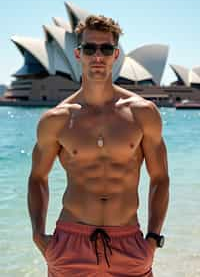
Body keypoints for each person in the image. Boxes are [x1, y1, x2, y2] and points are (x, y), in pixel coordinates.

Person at [28, 15, 170, 277]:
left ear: (116, 55)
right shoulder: (57, 119)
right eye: (89, 48)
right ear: (77, 53)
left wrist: (153, 238)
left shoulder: (142, 113)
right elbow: (37, 178)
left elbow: (160, 178)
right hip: (71, 243)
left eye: (105, 48)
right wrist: (38, 235)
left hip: (129, 243)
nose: (97, 56)